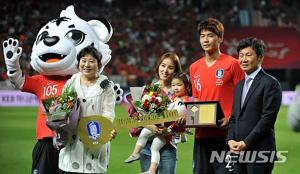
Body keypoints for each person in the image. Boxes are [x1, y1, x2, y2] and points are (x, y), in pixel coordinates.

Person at [189, 18, 244, 174]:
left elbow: (243, 98)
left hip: (227, 135)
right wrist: (190, 118)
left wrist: (230, 118)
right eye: (202, 36)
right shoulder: (194, 67)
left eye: (210, 35)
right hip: (202, 135)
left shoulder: (233, 64)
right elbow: (197, 99)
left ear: (220, 38)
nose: (205, 39)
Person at [227, 37, 282, 174]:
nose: (243, 59)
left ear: (260, 58)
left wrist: (246, 143)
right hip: (238, 153)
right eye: (241, 56)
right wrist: (230, 140)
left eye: (248, 55)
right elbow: (234, 118)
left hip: (260, 153)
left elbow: (267, 119)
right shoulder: (239, 85)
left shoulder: (270, 83)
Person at [58, 46, 116, 174]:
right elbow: (61, 110)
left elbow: (108, 112)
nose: (86, 64)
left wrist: (105, 129)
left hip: (94, 140)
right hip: (71, 145)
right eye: (83, 60)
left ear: (99, 64)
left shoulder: (106, 86)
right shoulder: (71, 83)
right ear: (79, 63)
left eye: (91, 61)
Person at [124, 72, 190, 174]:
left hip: (167, 136)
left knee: (150, 140)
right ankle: (139, 157)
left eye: (179, 85)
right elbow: (136, 116)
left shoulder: (184, 100)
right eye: (173, 85)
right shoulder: (154, 90)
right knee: (147, 135)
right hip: (157, 134)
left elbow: (182, 119)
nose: (175, 88)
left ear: (187, 86)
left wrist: (168, 129)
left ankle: (144, 162)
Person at [131, 52, 182, 174]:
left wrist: (169, 130)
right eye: (163, 65)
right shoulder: (147, 90)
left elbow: (184, 121)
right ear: (158, 66)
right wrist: (149, 126)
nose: (165, 70)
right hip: (147, 145)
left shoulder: (178, 93)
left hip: (169, 146)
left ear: (175, 71)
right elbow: (134, 115)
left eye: (170, 67)